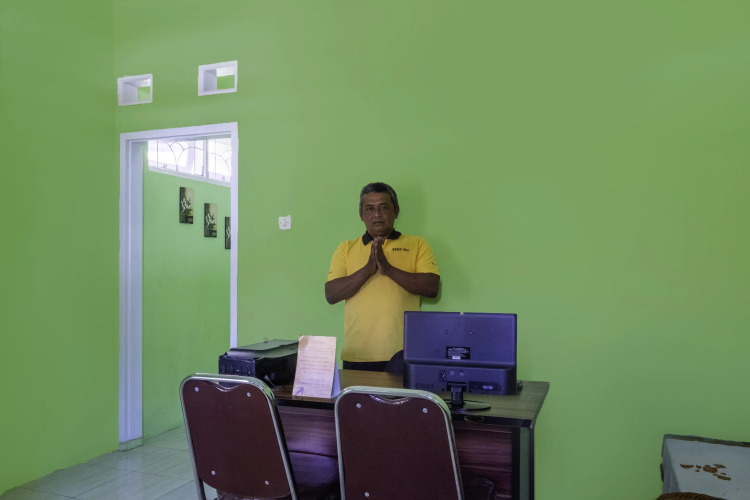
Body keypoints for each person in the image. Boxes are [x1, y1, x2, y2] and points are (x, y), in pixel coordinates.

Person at [325, 182, 440, 371]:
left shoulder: (417, 244)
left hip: (404, 353)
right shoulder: (345, 248)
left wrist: (388, 269)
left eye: (384, 207)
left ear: (396, 211)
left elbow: (432, 288)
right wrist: (367, 269)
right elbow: (331, 294)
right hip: (357, 354)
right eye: (369, 208)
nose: (377, 214)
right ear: (361, 214)